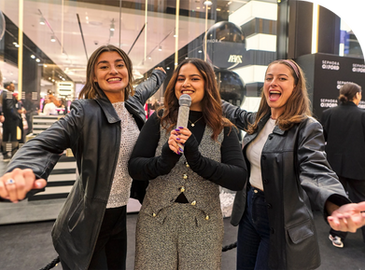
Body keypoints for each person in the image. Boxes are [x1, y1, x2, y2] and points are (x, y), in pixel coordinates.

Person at [0, 44, 166, 270]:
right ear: (94, 77)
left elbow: (148, 86)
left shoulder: (133, 103)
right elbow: (42, 143)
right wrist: (22, 169)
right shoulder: (84, 112)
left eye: (120, 65)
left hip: (119, 214)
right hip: (87, 221)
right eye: (104, 66)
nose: (114, 71)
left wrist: (159, 74)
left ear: (128, 70)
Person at [221, 59, 365, 270]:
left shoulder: (307, 127)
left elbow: (316, 169)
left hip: (279, 219)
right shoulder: (258, 120)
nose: (273, 83)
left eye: (282, 78)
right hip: (249, 212)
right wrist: (206, 94)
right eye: (269, 78)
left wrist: (337, 204)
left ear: (295, 87)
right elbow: (232, 111)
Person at [128, 58, 247, 270]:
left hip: (204, 224)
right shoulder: (159, 119)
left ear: (207, 84)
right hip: (156, 221)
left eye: (195, 78)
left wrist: (198, 161)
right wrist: (163, 162)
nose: (186, 84)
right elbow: (135, 167)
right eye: (180, 78)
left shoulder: (224, 127)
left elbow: (238, 178)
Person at [320, 82, 365, 248]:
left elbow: (320, 139)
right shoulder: (362, 115)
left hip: (334, 166)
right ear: (357, 95)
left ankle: (337, 235)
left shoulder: (328, 113)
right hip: (359, 167)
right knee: (362, 202)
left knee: (339, 201)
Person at [2, 82, 20, 160]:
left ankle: (5, 153)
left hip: (6, 119)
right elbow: (10, 108)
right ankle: (12, 153)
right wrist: (17, 116)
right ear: (8, 87)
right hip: (11, 120)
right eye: (12, 87)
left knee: (6, 137)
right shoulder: (8, 94)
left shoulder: (3, 94)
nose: (14, 88)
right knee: (12, 137)